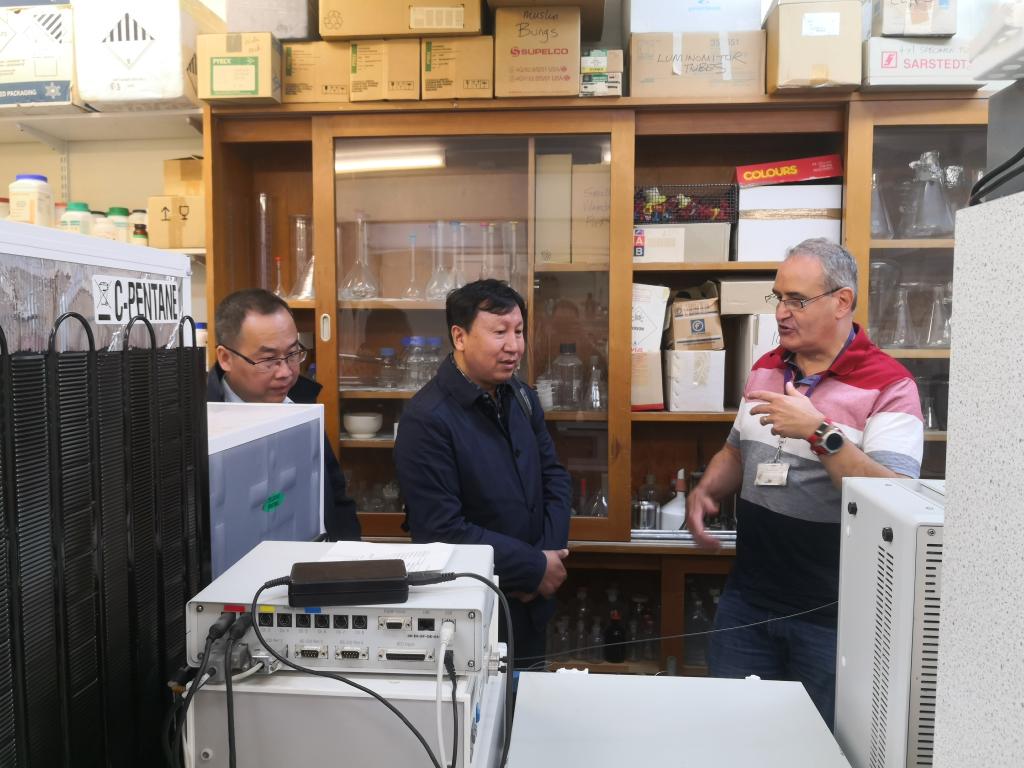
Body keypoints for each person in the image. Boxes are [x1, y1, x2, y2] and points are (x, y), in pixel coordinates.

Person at [686, 238, 923, 729]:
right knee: (733, 737)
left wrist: (820, 434)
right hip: (747, 602)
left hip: (834, 617)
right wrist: (707, 490)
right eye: (778, 298)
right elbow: (736, 451)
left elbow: (896, 500)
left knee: (815, 747)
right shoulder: (766, 366)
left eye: (797, 300)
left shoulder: (891, 385)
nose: (781, 313)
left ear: (842, 301)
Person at [394, 280, 572, 666]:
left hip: (534, 604)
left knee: (527, 699)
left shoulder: (521, 396)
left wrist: (546, 560)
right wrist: (533, 567)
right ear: (460, 336)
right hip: (473, 612)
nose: (514, 346)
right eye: (499, 332)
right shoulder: (426, 420)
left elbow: (555, 477)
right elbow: (441, 530)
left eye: (519, 331)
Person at [207, 288, 361, 541]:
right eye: (268, 360)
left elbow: (336, 498)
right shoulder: (199, 424)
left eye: (292, 354)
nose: (286, 373)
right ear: (225, 358)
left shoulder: (300, 404)